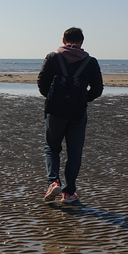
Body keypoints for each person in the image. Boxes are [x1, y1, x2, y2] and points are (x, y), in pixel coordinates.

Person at [37, 27, 103, 205]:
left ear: (63, 40)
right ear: (82, 42)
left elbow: (42, 83)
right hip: (77, 112)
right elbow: (97, 89)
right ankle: (69, 193)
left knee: (52, 148)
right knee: (74, 152)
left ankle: (53, 182)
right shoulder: (90, 62)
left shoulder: (52, 57)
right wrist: (83, 99)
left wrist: (52, 97)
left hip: (55, 111)